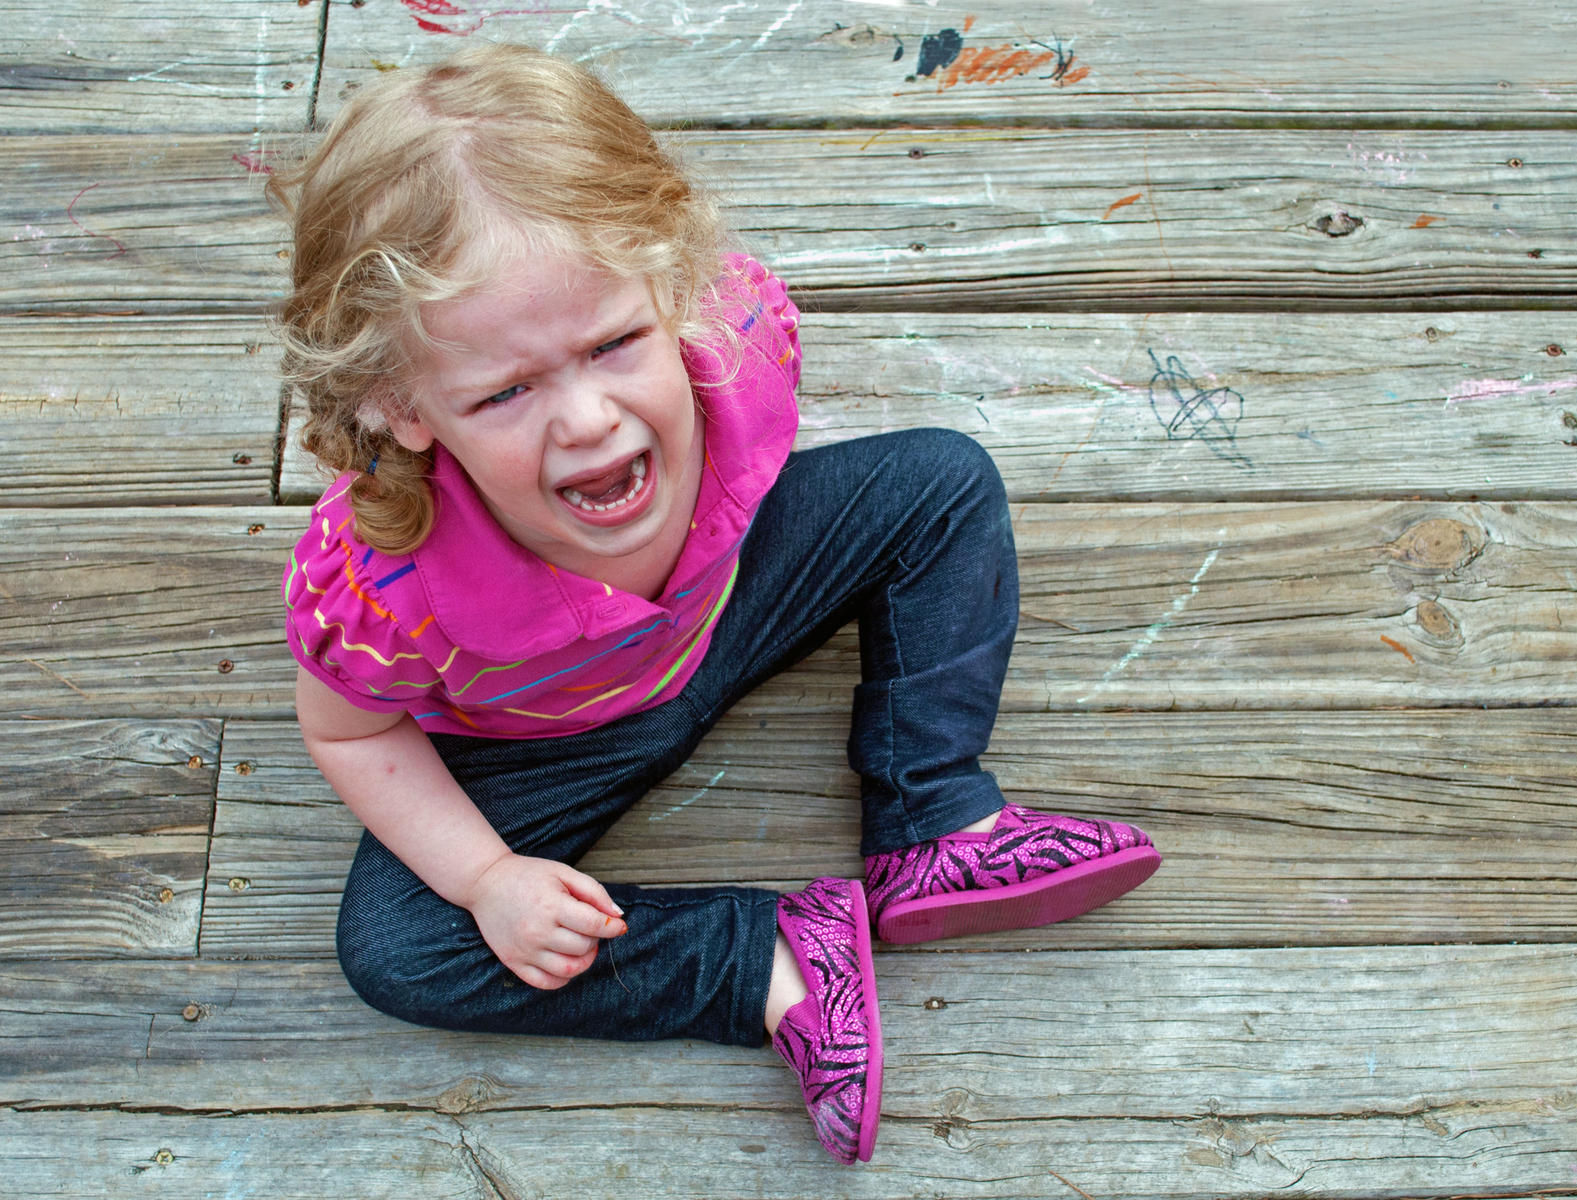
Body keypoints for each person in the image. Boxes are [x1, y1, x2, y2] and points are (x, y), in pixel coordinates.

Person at [272, 42, 1160, 1165]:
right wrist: (489, 879)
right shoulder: (377, 584)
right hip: (533, 739)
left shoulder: (739, 340)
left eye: (614, 343)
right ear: (402, 406)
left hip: (725, 603)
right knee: (398, 951)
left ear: (673, 285)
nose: (587, 419)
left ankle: (932, 816)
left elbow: (818, 480)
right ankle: (768, 962)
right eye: (505, 391)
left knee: (941, 481)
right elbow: (346, 726)